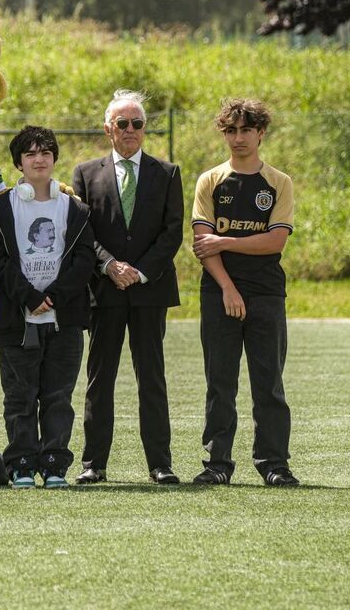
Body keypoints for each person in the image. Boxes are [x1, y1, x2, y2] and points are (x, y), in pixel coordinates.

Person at [71, 88, 183, 485]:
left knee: (152, 377)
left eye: (138, 123)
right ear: (108, 129)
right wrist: (109, 266)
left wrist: (138, 270)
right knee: (100, 379)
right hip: (104, 293)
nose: (131, 130)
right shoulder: (85, 173)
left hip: (150, 291)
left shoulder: (168, 174)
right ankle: (93, 465)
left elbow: (172, 234)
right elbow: (82, 231)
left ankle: (161, 464)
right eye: (123, 123)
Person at [0, 125, 96, 489]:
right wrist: (29, 296)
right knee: (20, 398)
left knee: (58, 397)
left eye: (45, 152)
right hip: (17, 319)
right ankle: (21, 465)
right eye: (30, 153)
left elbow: (83, 260)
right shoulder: (0, 209)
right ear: (19, 163)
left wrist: (55, 297)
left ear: (54, 158)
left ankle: (54, 465)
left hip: (65, 320)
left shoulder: (75, 209)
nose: (39, 158)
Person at [191, 98, 298, 486]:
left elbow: (275, 243)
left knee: (267, 381)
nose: (238, 138)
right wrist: (228, 287)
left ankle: (274, 463)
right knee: (220, 382)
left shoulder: (278, 182)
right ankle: (217, 463)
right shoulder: (210, 180)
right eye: (230, 131)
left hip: (266, 294)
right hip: (219, 294)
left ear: (260, 133)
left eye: (245, 130)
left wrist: (225, 241)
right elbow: (203, 245)